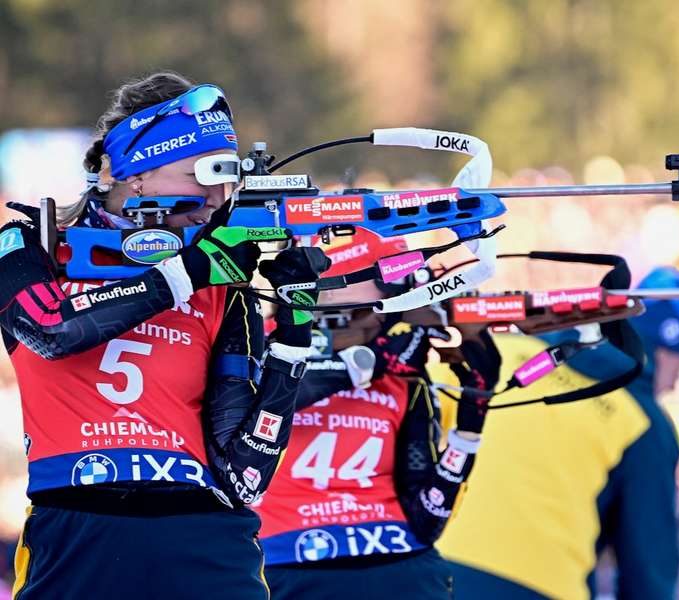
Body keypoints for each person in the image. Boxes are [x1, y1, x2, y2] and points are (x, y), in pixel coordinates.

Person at [4, 72, 328, 599]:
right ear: (134, 171)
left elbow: (244, 477)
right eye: (202, 173)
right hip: (77, 534)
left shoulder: (221, 282)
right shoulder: (32, 244)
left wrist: (292, 341)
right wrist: (187, 273)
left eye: (228, 178)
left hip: (205, 540)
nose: (216, 197)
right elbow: (51, 328)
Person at [434, 266, 679, 600]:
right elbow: (648, 573)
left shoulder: (502, 353)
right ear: (665, 351)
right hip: (543, 589)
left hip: (431, 575)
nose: (676, 383)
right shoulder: (646, 426)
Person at [255, 228, 499, 600]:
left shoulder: (404, 371)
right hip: (284, 567)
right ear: (330, 286)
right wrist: (362, 363)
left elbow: (428, 520)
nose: (397, 303)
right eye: (388, 286)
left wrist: (471, 421)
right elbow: (262, 403)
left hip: (401, 565)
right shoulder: (260, 345)